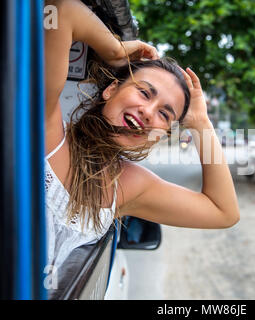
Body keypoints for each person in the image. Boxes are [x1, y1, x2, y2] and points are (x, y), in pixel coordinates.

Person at [45, 0, 240, 268]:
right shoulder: (47, 127)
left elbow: (223, 212)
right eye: (144, 92)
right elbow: (61, 10)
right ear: (111, 89)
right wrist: (114, 49)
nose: (149, 112)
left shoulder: (128, 185)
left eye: (165, 114)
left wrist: (201, 124)